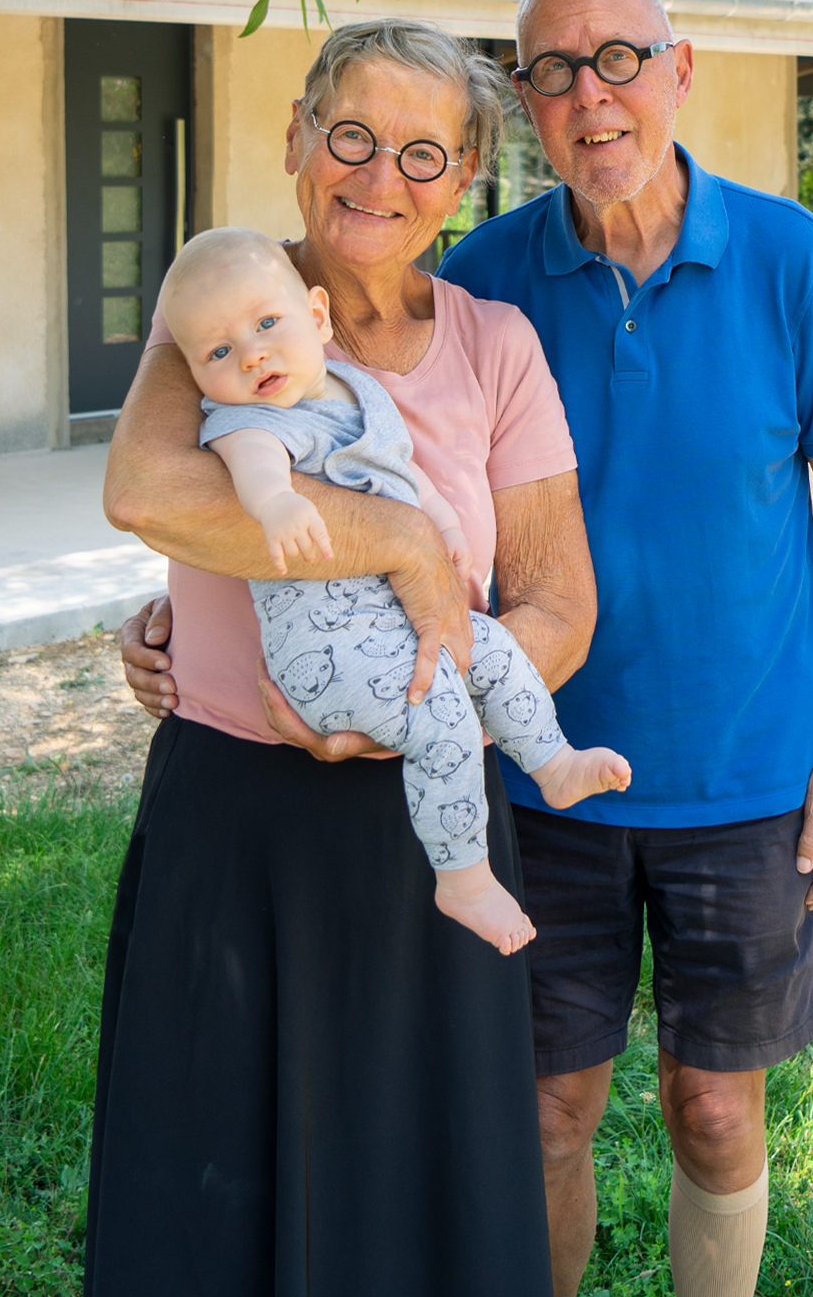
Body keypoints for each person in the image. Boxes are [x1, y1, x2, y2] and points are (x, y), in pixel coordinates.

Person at [124, 0, 813, 1297]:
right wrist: (191, 619)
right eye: (552, 73)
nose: (589, 96)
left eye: (618, 61)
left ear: (676, 71)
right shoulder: (361, 288)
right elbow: (187, 477)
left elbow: (806, 515)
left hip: (663, 775)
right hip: (393, 801)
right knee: (476, 1139)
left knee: (650, 1123)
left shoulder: (709, 276)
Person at [78, 20, 595, 1297]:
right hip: (236, 821)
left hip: (425, 825)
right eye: (350, 140)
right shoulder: (218, 302)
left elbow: (559, 604)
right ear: (297, 141)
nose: (381, 181)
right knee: (223, 1198)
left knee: (408, 1191)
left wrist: (424, 675)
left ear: (471, 183)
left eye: (426, 155)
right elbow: (150, 493)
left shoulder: (498, 349)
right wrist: (393, 551)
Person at [162, 224, 630, 951]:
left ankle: (552, 761)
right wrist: (277, 504)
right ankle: (464, 878)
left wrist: (438, 524)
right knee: (438, 709)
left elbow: (405, 475)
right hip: (327, 648)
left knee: (498, 652)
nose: (251, 354)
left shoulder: (359, 392)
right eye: (219, 352)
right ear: (193, 372)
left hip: (400, 627)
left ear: (315, 319)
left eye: (266, 326)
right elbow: (255, 469)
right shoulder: (245, 419)